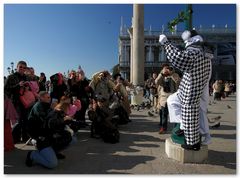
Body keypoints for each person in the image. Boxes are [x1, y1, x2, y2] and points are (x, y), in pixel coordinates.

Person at [159, 30, 211, 150]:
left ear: (191, 40)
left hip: (191, 89)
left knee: (189, 113)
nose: (185, 43)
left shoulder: (195, 51)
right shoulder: (204, 52)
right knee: (172, 101)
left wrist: (166, 43)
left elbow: (178, 58)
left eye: (186, 41)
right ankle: (183, 126)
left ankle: (193, 143)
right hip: (186, 88)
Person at [26, 91, 58, 168]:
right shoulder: (38, 106)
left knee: (70, 139)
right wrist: (52, 110)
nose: (50, 99)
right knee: (52, 164)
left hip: (46, 132)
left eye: (50, 97)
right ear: (41, 98)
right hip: (38, 134)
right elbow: (44, 118)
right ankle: (32, 154)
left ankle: (54, 151)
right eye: (48, 97)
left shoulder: (47, 105)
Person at [4, 60, 30, 143]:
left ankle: (25, 138)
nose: (22, 69)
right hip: (15, 102)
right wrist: (18, 85)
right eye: (20, 67)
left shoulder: (26, 77)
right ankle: (15, 139)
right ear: (17, 67)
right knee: (18, 121)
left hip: (25, 101)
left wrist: (27, 88)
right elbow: (5, 89)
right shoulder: (11, 77)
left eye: (24, 67)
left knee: (26, 120)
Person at [155, 64, 180, 134]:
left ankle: (176, 129)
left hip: (173, 97)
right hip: (164, 98)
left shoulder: (175, 75)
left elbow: (178, 82)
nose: (166, 70)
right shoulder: (162, 76)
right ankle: (163, 128)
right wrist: (162, 74)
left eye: (168, 68)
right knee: (164, 114)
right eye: (165, 68)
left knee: (175, 114)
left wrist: (171, 74)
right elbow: (156, 82)